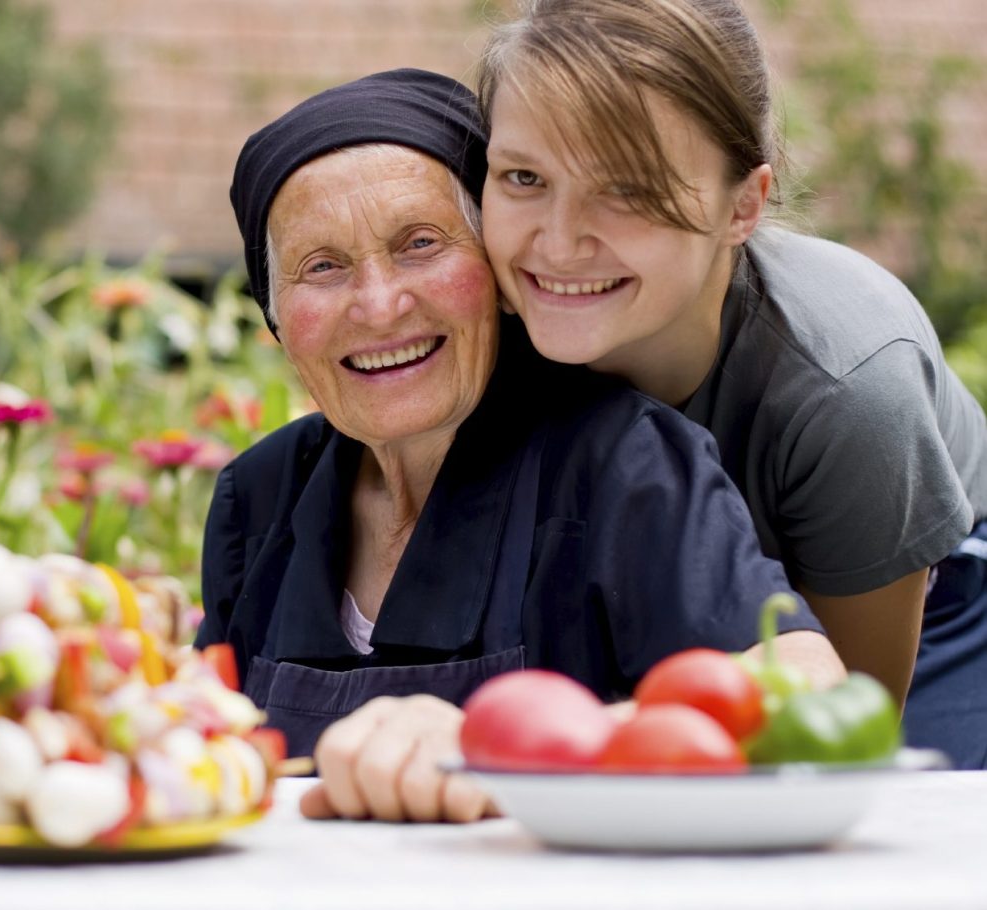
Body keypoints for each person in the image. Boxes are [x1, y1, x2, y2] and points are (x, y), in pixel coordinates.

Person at [197, 68, 846, 822]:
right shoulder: (261, 496)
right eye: (323, 267)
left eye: (420, 244)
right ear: (276, 318)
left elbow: (806, 686)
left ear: (498, 272)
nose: (378, 306)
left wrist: (511, 744)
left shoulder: (620, 462)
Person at [476, 0, 987, 768]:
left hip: (929, 602)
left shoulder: (847, 387)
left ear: (742, 205)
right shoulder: (488, 319)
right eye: (523, 177)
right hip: (678, 591)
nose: (558, 241)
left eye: (628, 190)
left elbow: (840, 721)